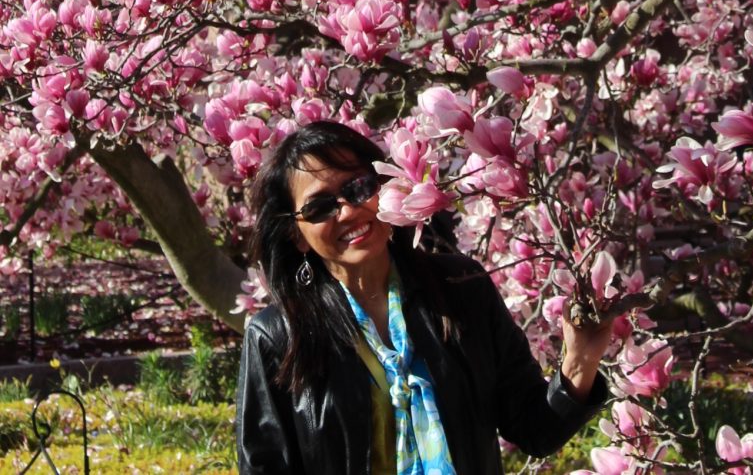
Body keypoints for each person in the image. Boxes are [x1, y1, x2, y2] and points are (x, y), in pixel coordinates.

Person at [236, 120, 613, 474]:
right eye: (320, 207)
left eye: (359, 188)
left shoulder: (459, 288)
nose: (348, 211)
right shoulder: (277, 336)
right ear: (297, 235)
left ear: (386, 186)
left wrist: (580, 361)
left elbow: (534, 430)